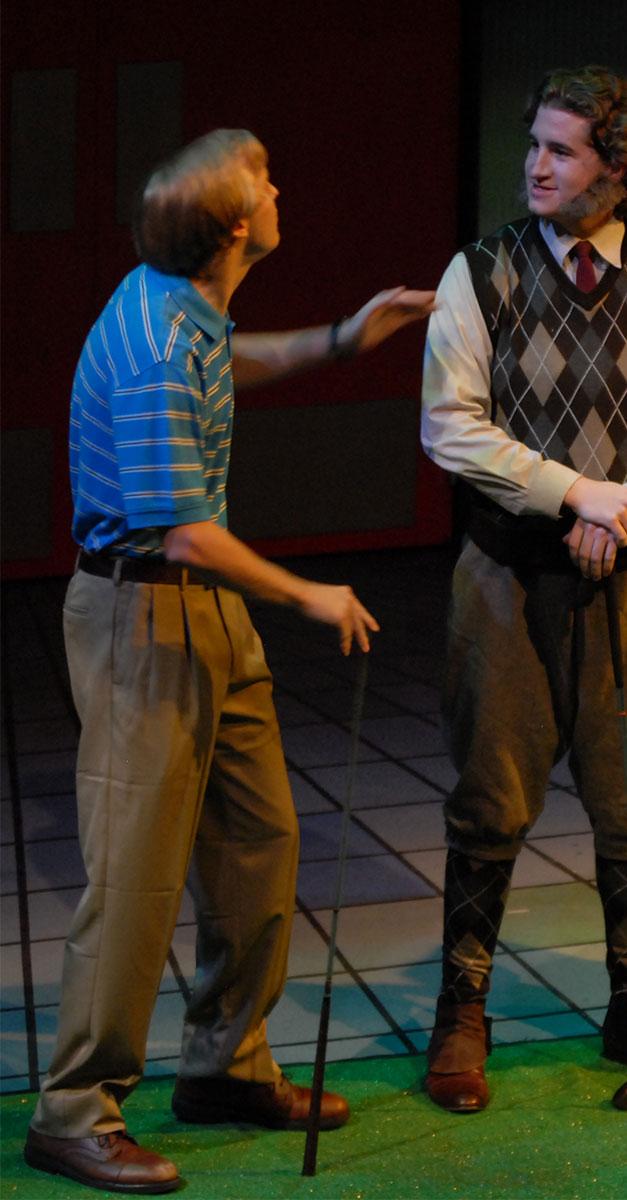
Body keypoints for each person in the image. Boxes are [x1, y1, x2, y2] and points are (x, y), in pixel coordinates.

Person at [24, 129, 434, 1193]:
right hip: (143, 618)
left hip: (201, 616)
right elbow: (183, 534)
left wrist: (344, 339)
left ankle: (224, 1066)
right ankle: (72, 1112)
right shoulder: (157, 351)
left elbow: (236, 354)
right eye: (265, 181)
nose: (280, 185)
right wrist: (310, 594)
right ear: (236, 225)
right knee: (136, 878)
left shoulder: (185, 304)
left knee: (260, 842)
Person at [418, 64, 627, 1113]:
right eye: (535, 145)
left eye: (561, 150)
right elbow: (450, 425)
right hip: (507, 576)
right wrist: (577, 497)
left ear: (617, 171)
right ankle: (461, 1012)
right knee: (489, 797)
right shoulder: (479, 273)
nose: (535, 164)